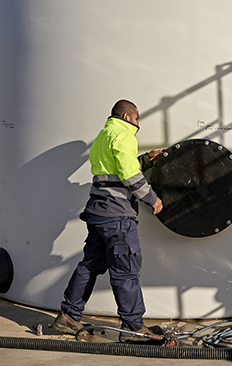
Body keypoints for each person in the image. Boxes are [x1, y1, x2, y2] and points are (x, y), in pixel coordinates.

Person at [52, 99, 164, 339]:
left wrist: (146, 158)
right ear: (126, 117)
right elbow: (129, 175)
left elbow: (114, 167)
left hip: (97, 214)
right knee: (126, 271)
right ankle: (133, 328)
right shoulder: (124, 136)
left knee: (90, 265)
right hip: (117, 217)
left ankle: (68, 316)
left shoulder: (103, 136)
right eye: (136, 119)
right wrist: (152, 198)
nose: (138, 124)